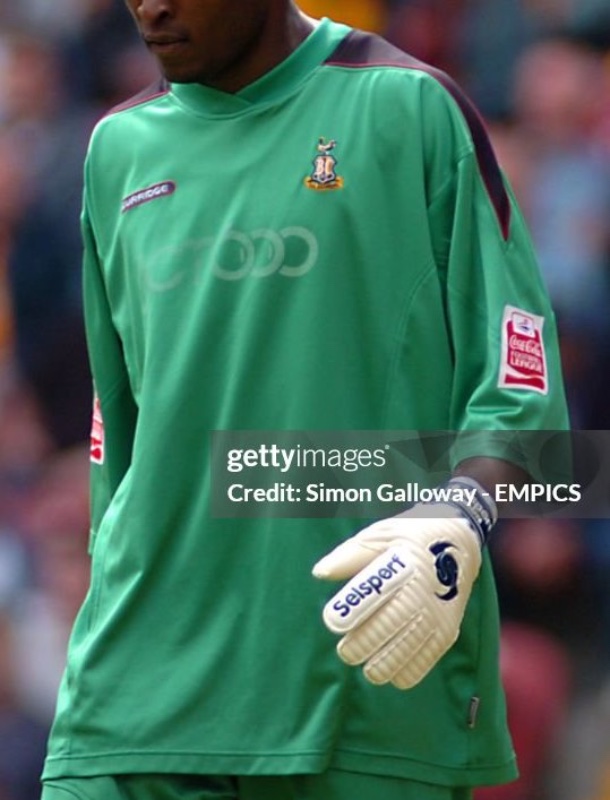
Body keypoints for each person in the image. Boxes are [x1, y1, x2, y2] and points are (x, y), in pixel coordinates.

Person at [39, 2, 570, 799]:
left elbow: (527, 399)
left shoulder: (410, 107)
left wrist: (460, 516)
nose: (148, 5)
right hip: (131, 698)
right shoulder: (116, 148)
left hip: (359, 691)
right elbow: (119, 432)